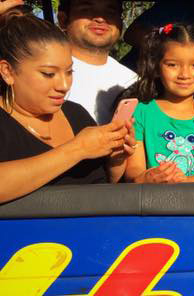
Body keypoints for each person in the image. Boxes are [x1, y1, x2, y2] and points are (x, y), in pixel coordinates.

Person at [0, 14, 135, 203]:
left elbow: (102, 187)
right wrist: (77, 149)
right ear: (8, 71)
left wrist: (115, 161)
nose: (64, 85)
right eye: (48, 74)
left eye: (69, 72)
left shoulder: (76, 113)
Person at [123, 23, 194, 183]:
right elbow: (134, 170)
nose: (184, 74)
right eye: (172, 65)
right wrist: (147, 178)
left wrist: (185, 185)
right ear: (157, 68)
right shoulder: (140, 111)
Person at [57, 0, 137, 124]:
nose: (100, 18)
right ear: (63, 19)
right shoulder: (41, 72)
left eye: (110, 12)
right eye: (86, 9)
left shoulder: (134, 81)